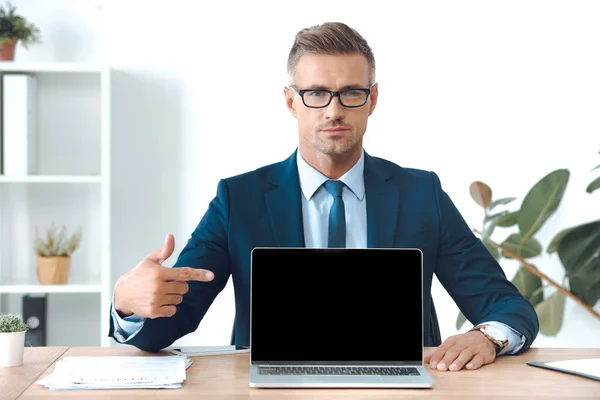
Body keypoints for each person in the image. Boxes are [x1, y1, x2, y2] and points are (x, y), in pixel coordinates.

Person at [109, 22, 538, 372]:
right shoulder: (238, 199)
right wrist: (129, 305)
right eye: (316, 94)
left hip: (403, 387)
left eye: (351, 93)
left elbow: (507, 305)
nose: (333, 110)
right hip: (275, 386)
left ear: (372, 100)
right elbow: (171, 322)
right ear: (291, 102)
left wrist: (488, 336)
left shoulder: (420, 193)